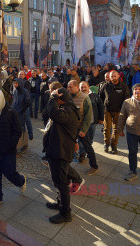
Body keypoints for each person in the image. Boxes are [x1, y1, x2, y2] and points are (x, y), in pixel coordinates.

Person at [43, 88, 82, 224]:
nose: (54, 101)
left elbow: (53, 113)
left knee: (62, 184)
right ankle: (60, 204)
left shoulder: (68, 111)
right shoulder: (66, 109)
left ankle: (65, 213)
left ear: (60, 100)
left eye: (56, 99)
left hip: (61, 152)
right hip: (57, 150)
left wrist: (53, 98)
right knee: (59, 182)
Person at [0, 89, 26, 209]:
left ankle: (21, 181)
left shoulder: (11, 112)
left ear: (1, 98)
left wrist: (11, 145)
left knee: (9, 173)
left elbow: (17, 130)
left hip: (8, 151)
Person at [67, 80, 98, 174]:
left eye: (70, 87)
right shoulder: (68, 97)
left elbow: (89, 116)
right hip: (71, 127)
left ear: (77, 87)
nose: (68, 89)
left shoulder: (85, 98)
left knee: (87, 146)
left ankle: (94, 166)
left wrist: (84, 130)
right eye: (68, 87)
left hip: (81, 128)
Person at [99, 70, 130, 154]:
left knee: (116, 129)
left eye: (114, 76)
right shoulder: (105, 85)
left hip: (119, 111)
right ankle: (106, 144)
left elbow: (127, 99)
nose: (113, 78)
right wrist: (103, 107)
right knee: (106, 128)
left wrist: (124, 110)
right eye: (111, 76)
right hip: (107, 110)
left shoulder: (123, 86)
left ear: (118, 76)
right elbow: (101, 96)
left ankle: (114, 145)